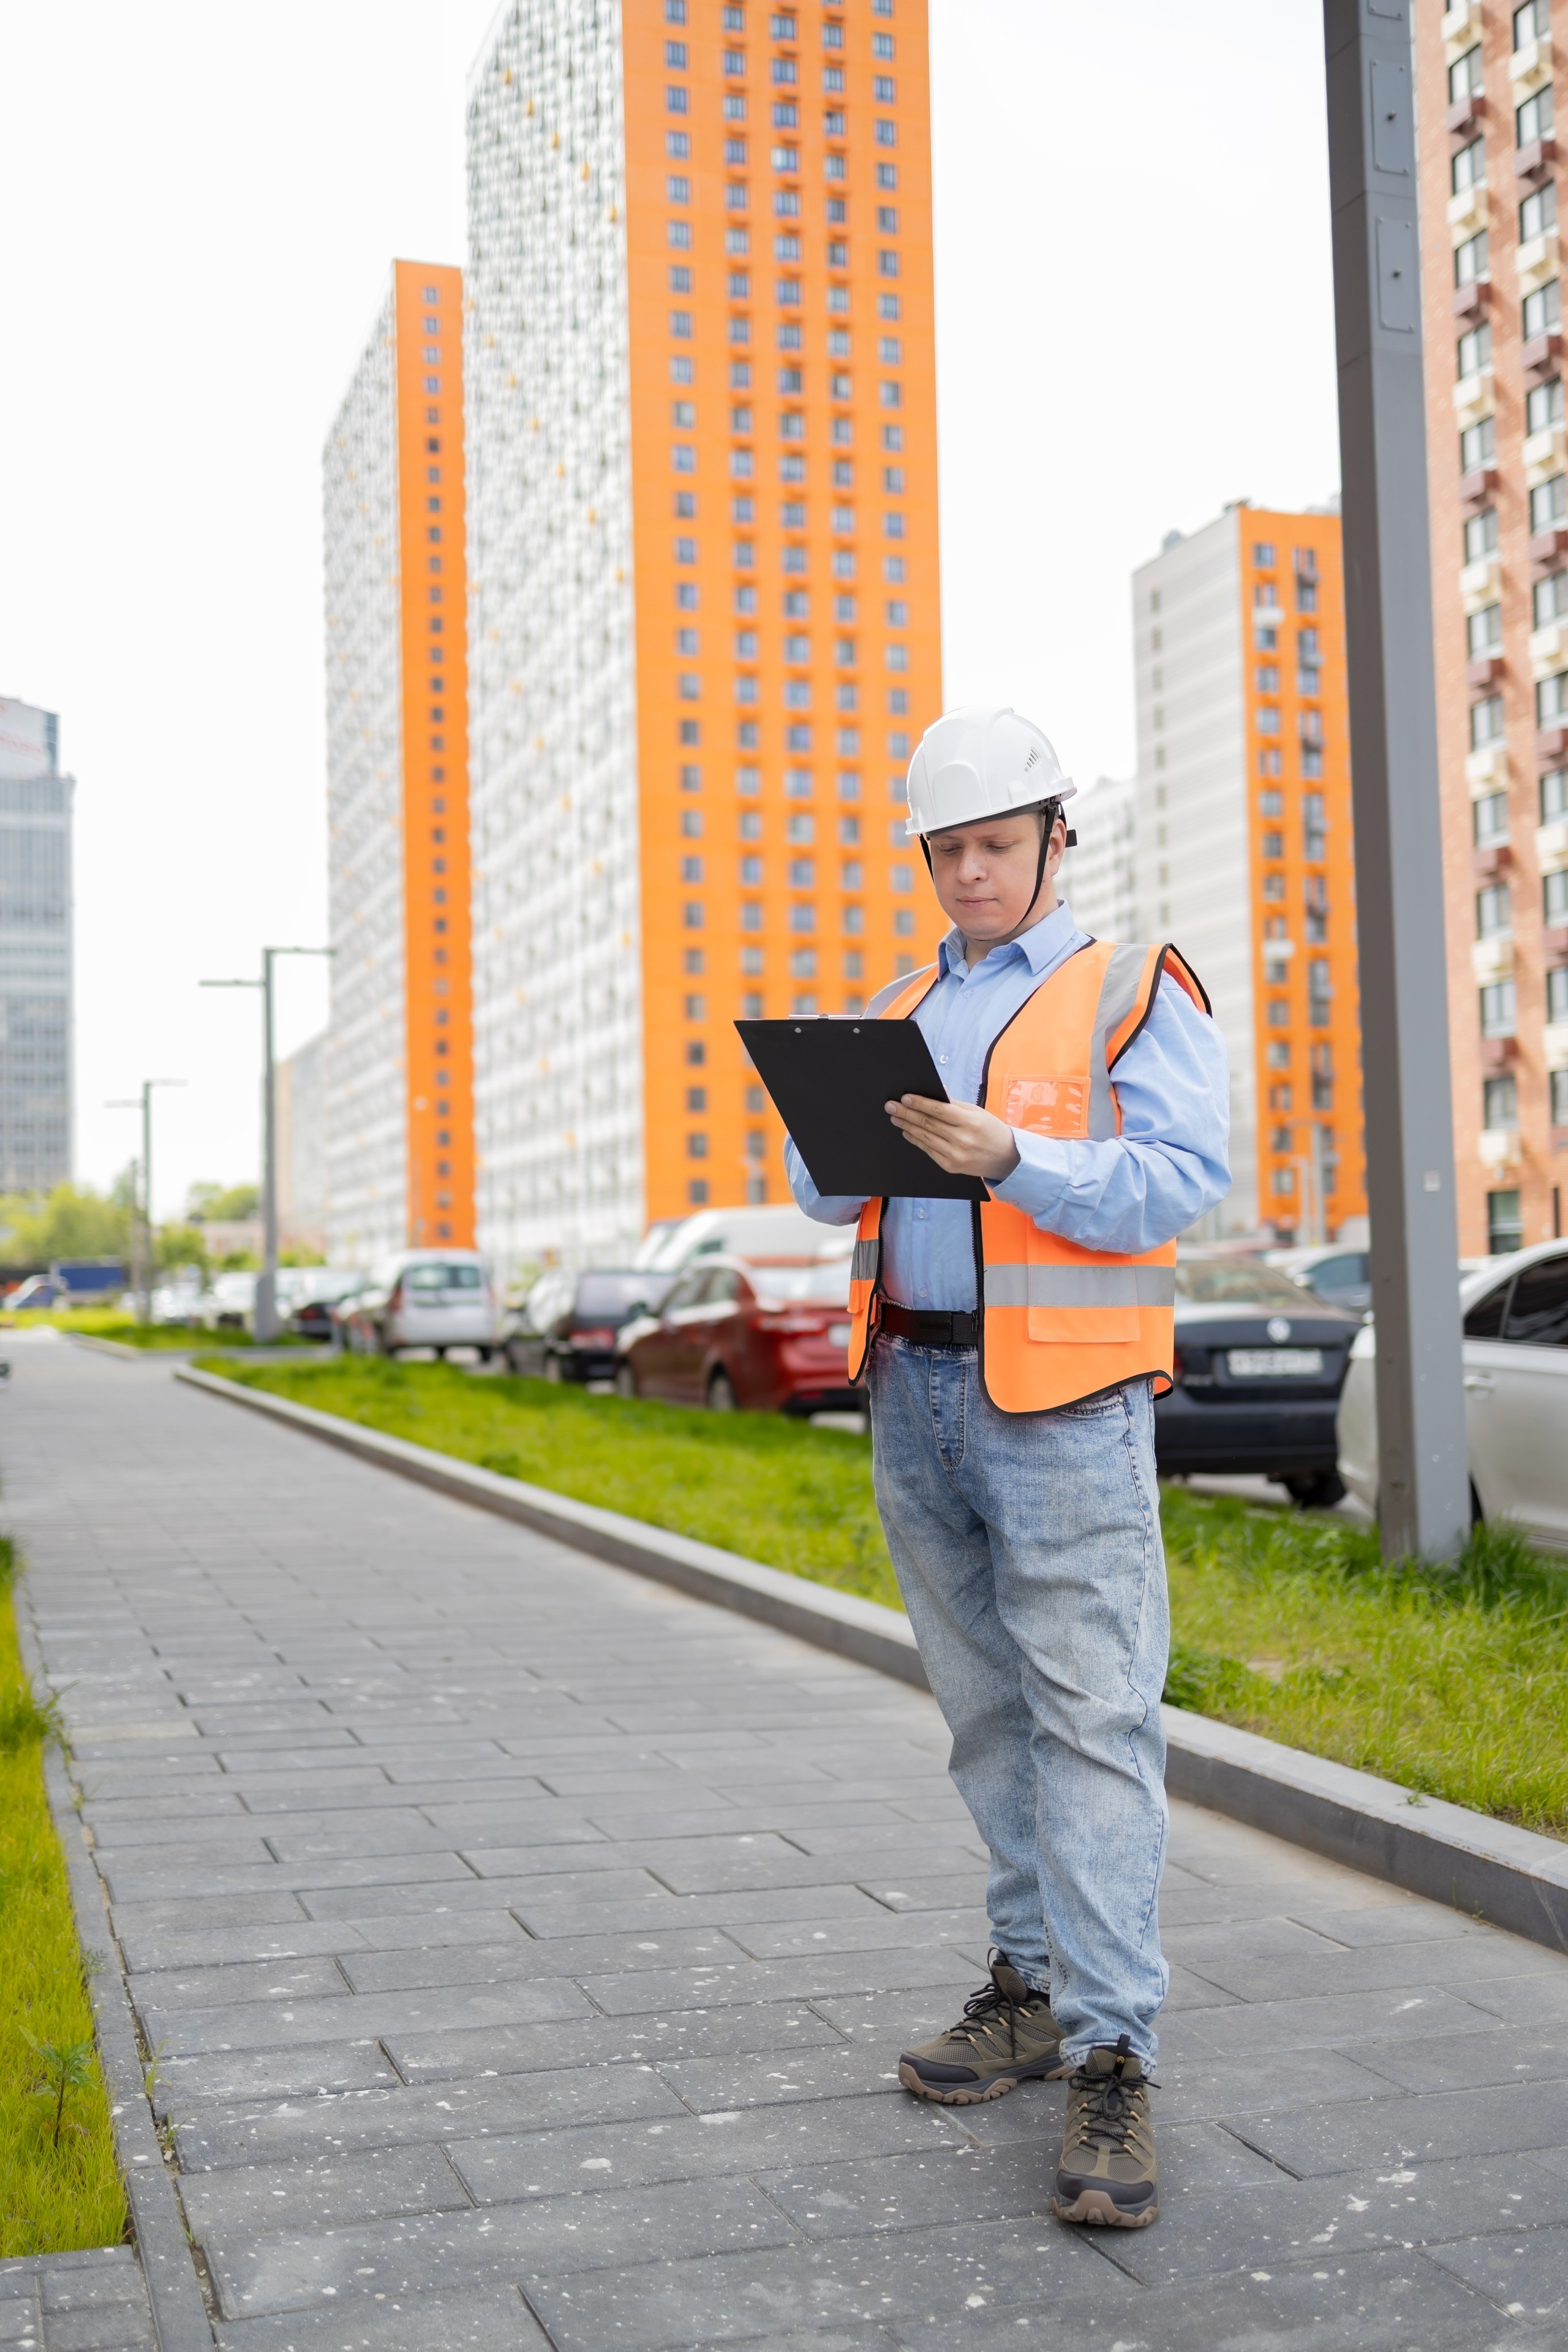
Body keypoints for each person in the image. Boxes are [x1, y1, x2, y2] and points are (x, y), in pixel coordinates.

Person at [785, 704, 1230, 2231]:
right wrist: (833, 1130)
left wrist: (1013, 1162)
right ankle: (1029, 1989)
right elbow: (817, 1190)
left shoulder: (1127, 988)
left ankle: (1114, 2055)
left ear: (1054, 836)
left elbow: (1180, 1179)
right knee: (986, 1721)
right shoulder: (898, 1001)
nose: (967, 873)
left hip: (1062, 1405)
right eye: (945, 850)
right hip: (909, 1382)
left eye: (992, 845)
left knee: (1091, 1723)